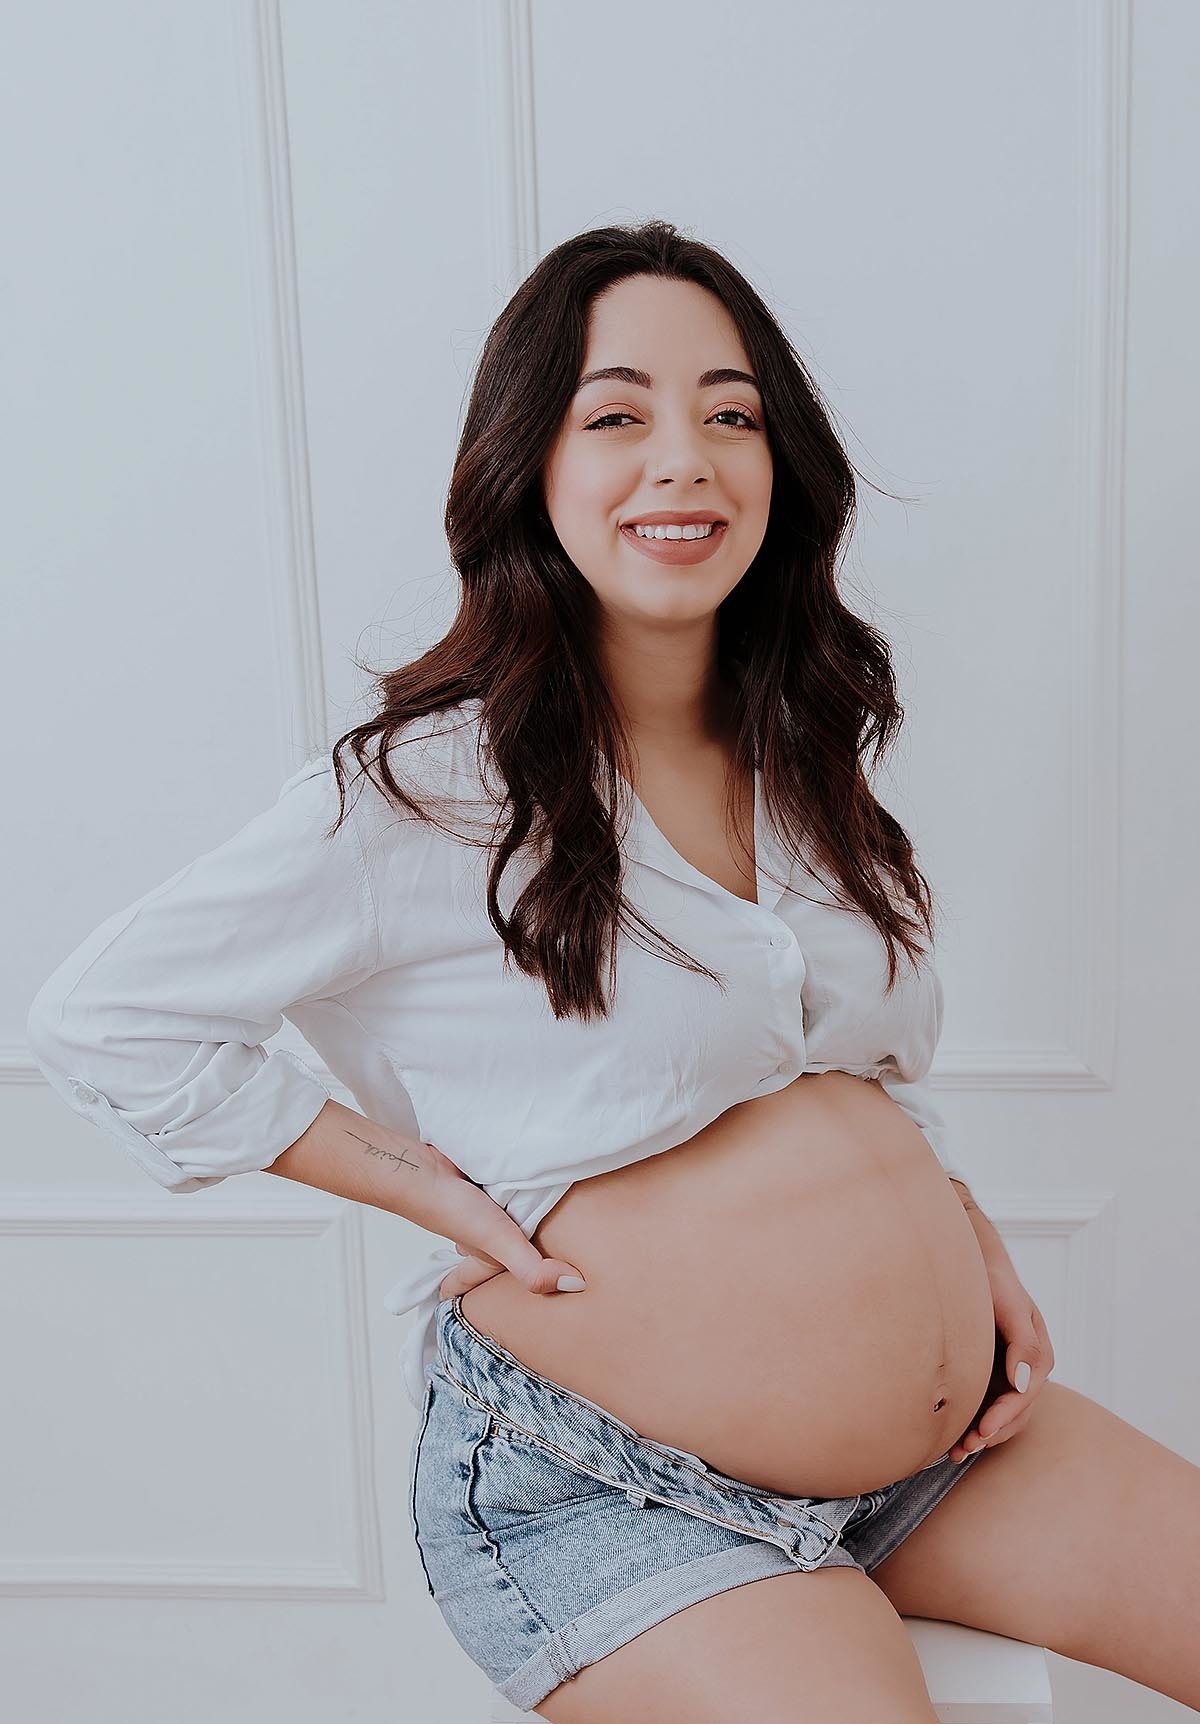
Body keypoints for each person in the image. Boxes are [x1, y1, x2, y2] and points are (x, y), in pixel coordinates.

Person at [26, 220, 1200, 1720]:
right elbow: (105, 1017)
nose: (684, 463)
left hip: (941, 1455)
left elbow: (842, 1071)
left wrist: (956, 1234)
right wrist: (424, 1185)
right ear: (531, 464)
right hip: (609, 1490)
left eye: (731, 415)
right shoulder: (426, 791)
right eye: (617, 416)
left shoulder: (801, 752)